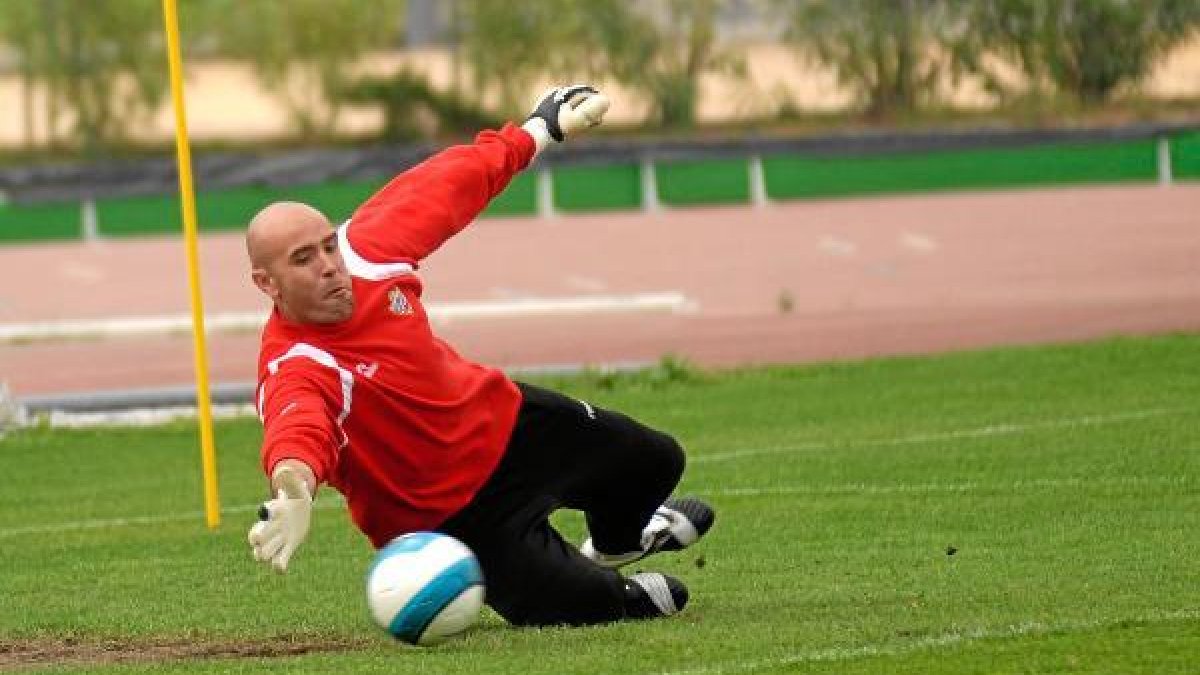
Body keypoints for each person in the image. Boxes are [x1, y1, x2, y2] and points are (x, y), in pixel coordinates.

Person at [244, 84, 714, 627]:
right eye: (303, 258)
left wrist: (541, 128)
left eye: (327, 245)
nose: (329, 263)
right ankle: (606, 583)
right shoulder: (296, 364)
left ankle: (618, 543)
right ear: (266, 282)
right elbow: (297, 428)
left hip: (510, 426)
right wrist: (294, 489)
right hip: (451, 522)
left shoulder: (367, 249)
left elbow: (451, 183)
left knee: (658, 459)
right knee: (610, 608)